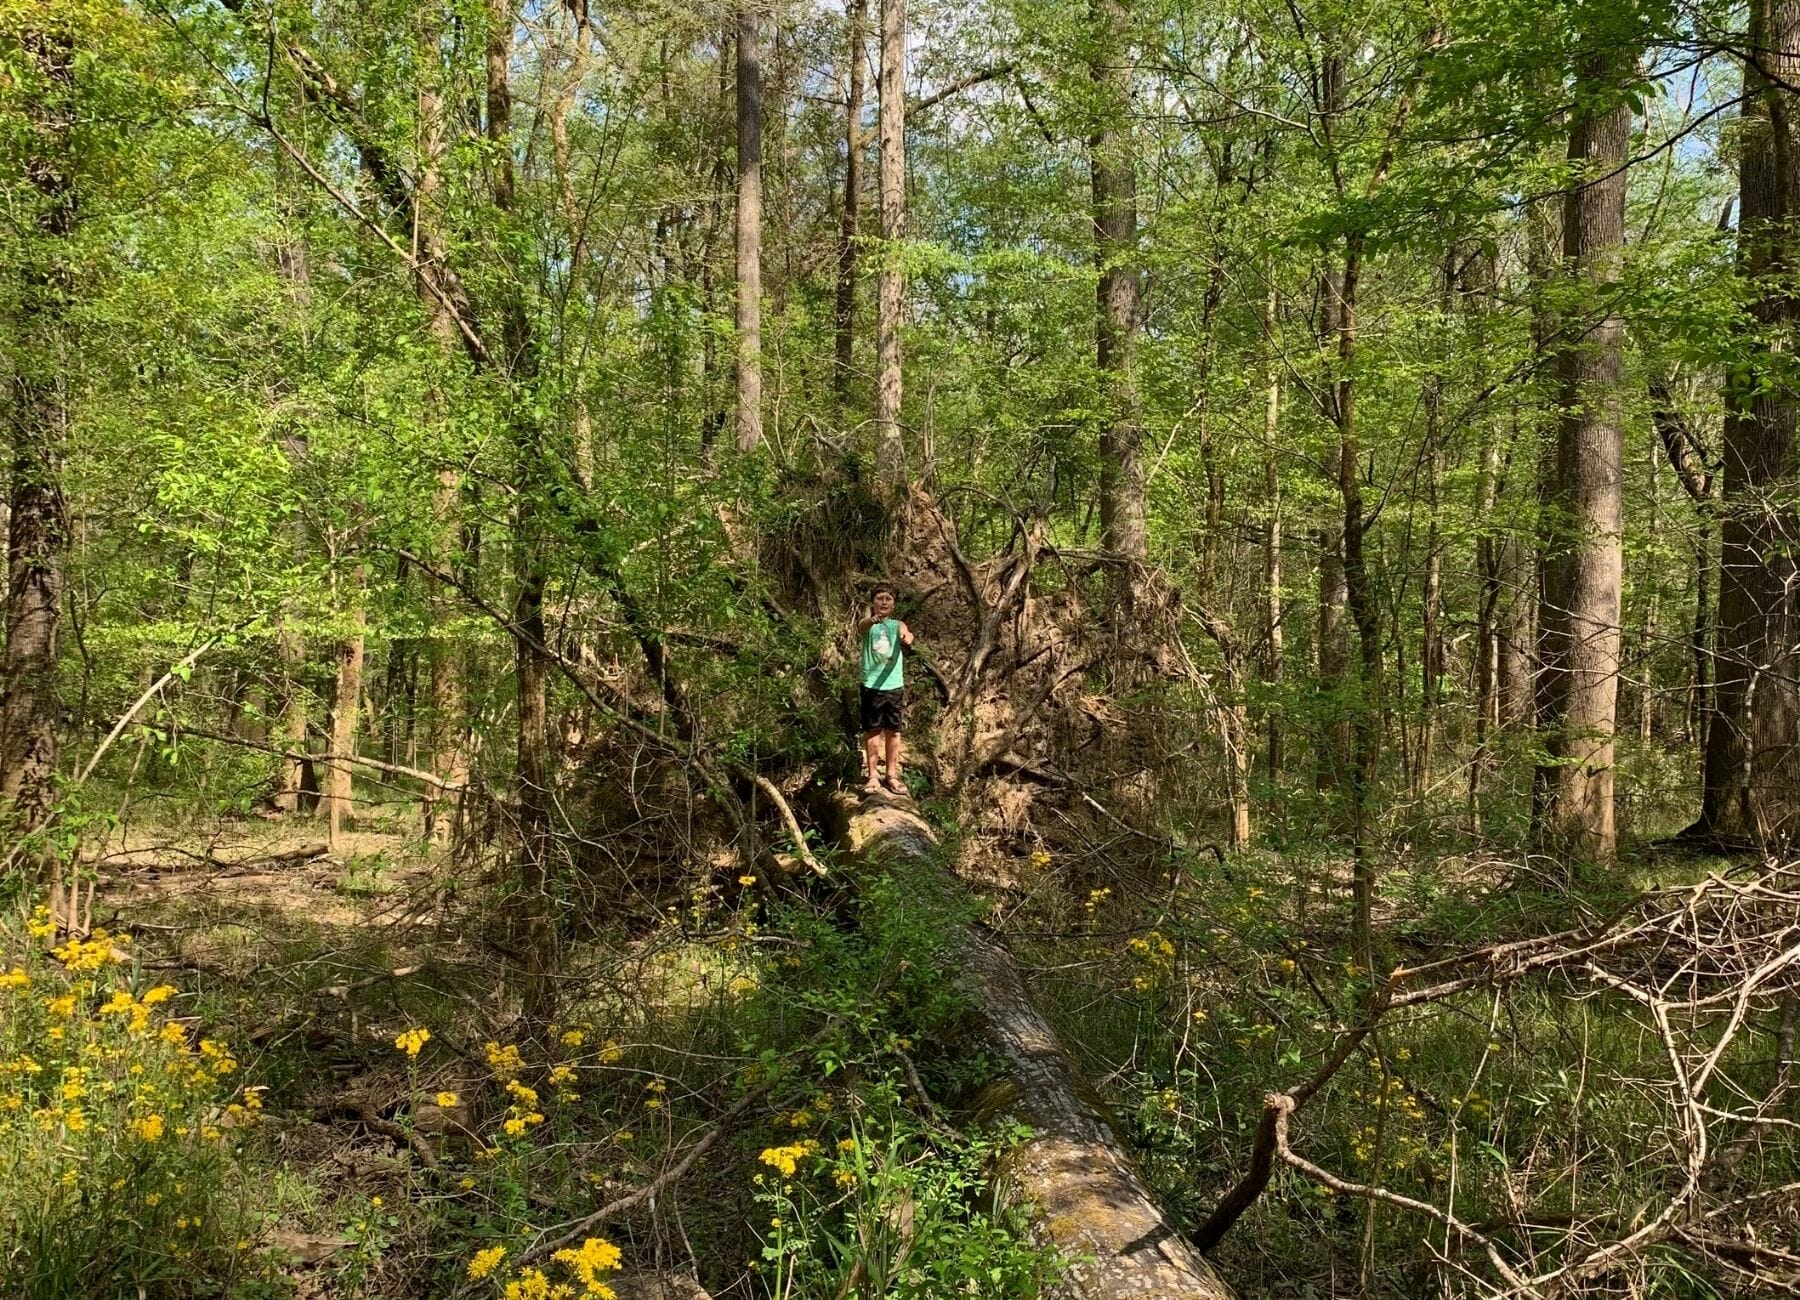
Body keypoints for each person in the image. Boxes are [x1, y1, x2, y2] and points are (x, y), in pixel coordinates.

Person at [857, 583, 913, 795]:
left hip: (894, 686)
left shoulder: (897, 624)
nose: (884, 602)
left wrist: (908, 638)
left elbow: (906, 633)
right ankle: (872, 776)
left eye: (888, 599)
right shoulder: (868, 625)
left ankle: (891, 776)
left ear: (893, 603)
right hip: (871, 685)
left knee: (893, 731)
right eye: (880, 598)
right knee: (872, 730)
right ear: (873, 602)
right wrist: (872, 620)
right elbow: (862, 626)